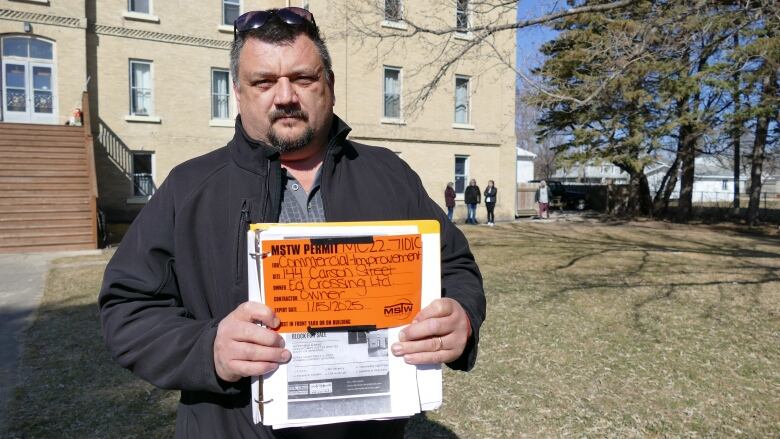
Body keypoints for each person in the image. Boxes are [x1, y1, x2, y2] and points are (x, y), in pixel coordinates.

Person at [98, 8, 485, 439]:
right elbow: (127, 309)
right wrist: (209, 349)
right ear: (238, 93)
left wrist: (462, 318)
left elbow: (455, 267)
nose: (285, 96)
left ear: (330, 86)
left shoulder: (389, 176)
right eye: (263, 82)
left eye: (302, 78)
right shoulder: (188, 189)